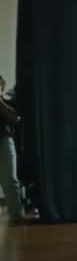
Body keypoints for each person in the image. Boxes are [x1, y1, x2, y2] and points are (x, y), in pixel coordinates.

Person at [0, 75, 22, 222]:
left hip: (4, 140)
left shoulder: (6, 101)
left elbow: (15, 119)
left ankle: (16, 215)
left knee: (10, 179)